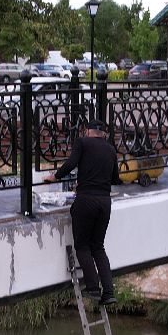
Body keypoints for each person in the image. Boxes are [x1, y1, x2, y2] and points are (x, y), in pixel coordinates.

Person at [45, 121, 118, 307]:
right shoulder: (111, 149)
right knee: (98, 247)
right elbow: (115, 178)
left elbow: (71, 164)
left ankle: (93, 288)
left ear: (87, 131)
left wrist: (55, 176)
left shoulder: (82, 142)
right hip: (105, 202)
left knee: (83, 246)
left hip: (86, 200)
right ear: (103, 134)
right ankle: (109, 292)